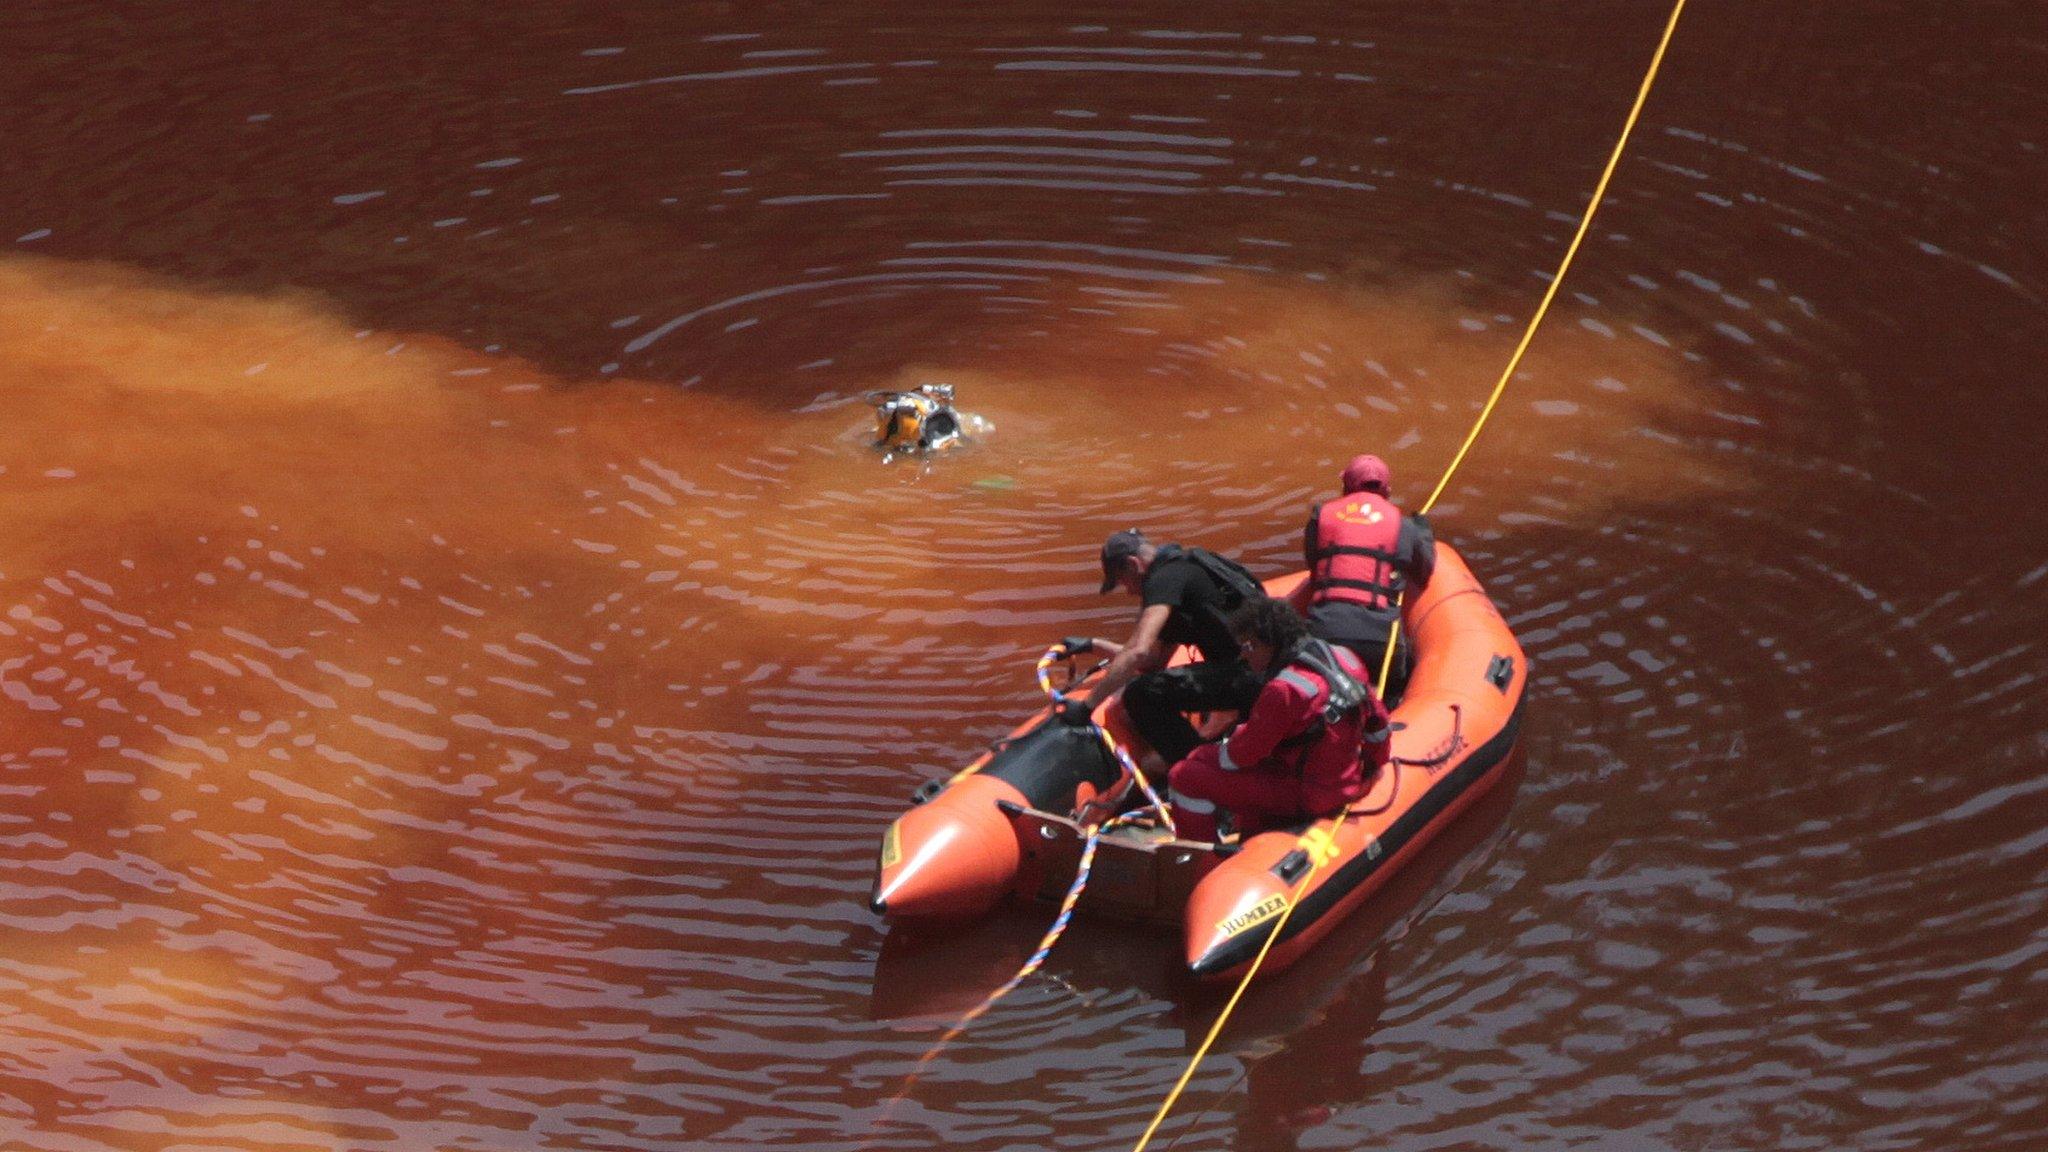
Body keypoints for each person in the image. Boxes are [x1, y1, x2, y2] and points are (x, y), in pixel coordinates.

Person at [1165, 597, 1390, 842]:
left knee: (1183, 775)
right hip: (1343, 779)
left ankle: (1199, 858)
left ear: (1270, 643)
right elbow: (1378, 725)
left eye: (1249, 647)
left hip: (1309, 794)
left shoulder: (1284, 690)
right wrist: (1370, 770)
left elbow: (1240, 757)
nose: (1244, 656)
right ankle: (1250, 834)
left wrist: (1202, 755)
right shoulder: (1345, 658)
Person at [1058, 529, 1268, 767]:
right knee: (1153, 685)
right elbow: (1152, 661)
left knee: (1140, 695)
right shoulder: (1184, 568)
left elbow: (1138, 651)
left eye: (1123, 581)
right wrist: (1092, 645)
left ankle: (1201, 770)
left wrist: (1087, 706)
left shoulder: (1162, 581)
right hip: (1260, 670)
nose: (1129, 591)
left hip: (1250, 677)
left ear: (1132, 564)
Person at [1302, 454, 1435, 702]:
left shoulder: (1320, 516)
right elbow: (1423, 572)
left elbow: (1314, 565)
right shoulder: (1405, 526)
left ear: (1345, 487)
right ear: (1388, 491)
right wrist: (1423, 531)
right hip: (1379, 643)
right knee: (1393, 696)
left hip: (1325, 633)